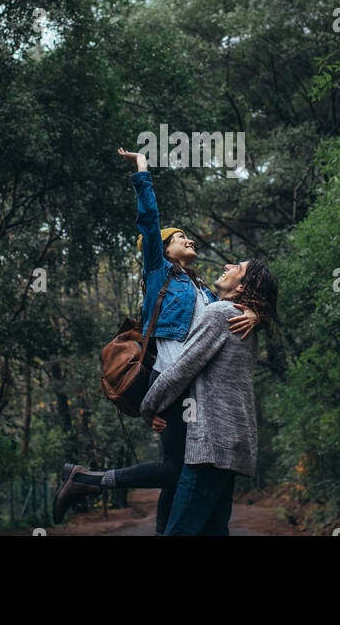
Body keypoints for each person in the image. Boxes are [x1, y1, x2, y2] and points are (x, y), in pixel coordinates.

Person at [51, 148, 257, 533]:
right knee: (178, 469)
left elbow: (230, 317)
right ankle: (88, 481)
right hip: (172, 380)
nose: (188, 239)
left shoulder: (204, 291)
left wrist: (256, 312)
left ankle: (102, 490)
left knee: (178, 470)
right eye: (179, 237)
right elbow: (149, 219)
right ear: (163, 249)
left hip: (193, 386)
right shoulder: (159, 274)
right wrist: (143, 168)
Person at [140, 257, 278, 536]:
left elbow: (182, 368)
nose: (228, 266)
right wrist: (259, 314)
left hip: (212, 445)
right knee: (213, 530)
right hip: (233, 442)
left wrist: (147, 406)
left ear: (242, 287)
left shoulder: (221, 314)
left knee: (180, 530)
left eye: (237, 268)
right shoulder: (241, 319)